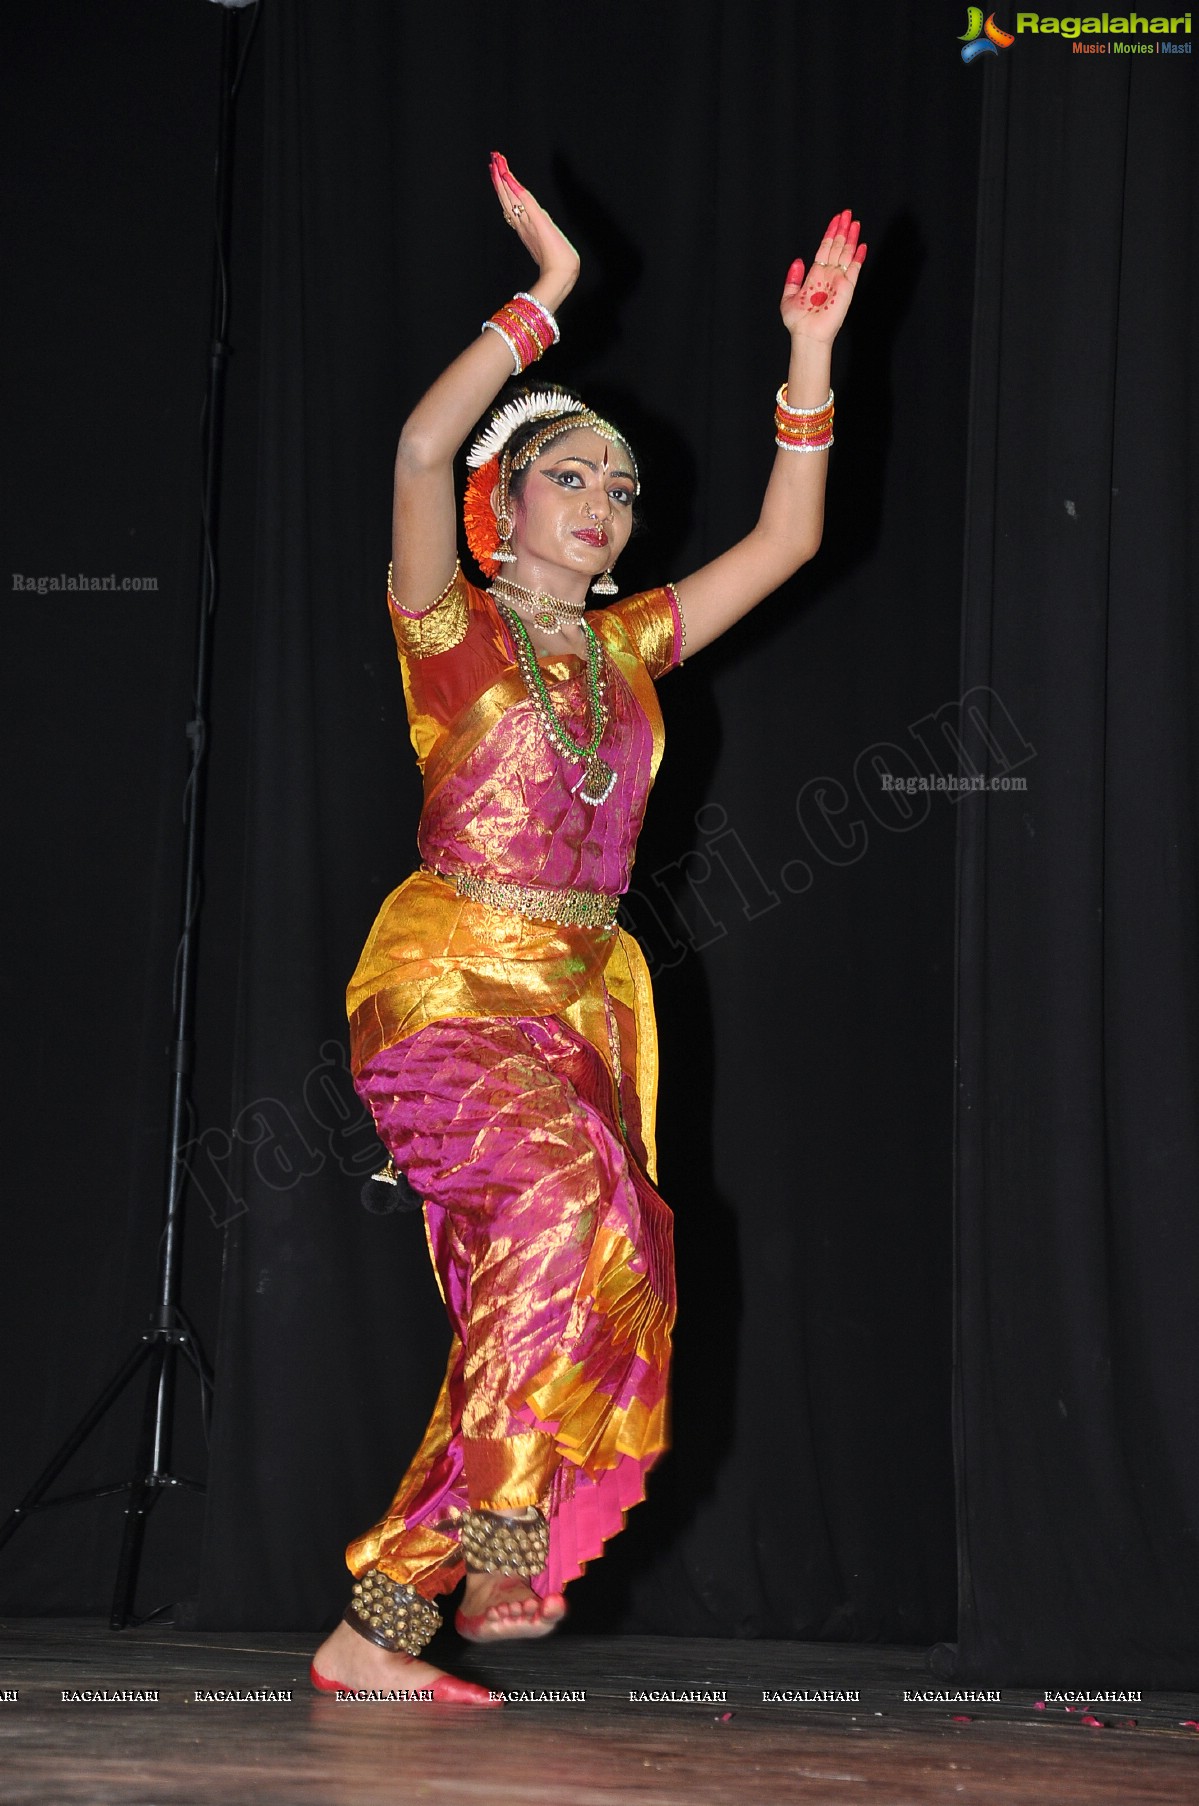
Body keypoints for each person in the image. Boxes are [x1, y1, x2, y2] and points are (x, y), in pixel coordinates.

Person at [311, 152, 865, 1705]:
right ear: (507, 506)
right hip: (440, 990)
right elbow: (425, 441)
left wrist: (809, 357)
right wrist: (546, 303)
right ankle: (503, 1527)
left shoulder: (628, 645)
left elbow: (789, 541)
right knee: (565, 1198)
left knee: (589, 1258)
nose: (608, 497)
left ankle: (382, 1628)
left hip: (576, 1005)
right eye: (574, 472)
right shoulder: (451, 631)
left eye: (621, 487)